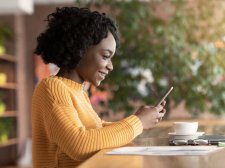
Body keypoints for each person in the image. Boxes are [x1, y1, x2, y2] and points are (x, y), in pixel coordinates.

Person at [32, 7, 166, 167]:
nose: (110, 67)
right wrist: (138, 122)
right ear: (79, 48)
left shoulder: (78, 91)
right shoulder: (52, 87)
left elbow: (96, 129)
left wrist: (140, 119)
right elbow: (78, 144)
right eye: (105, 56)